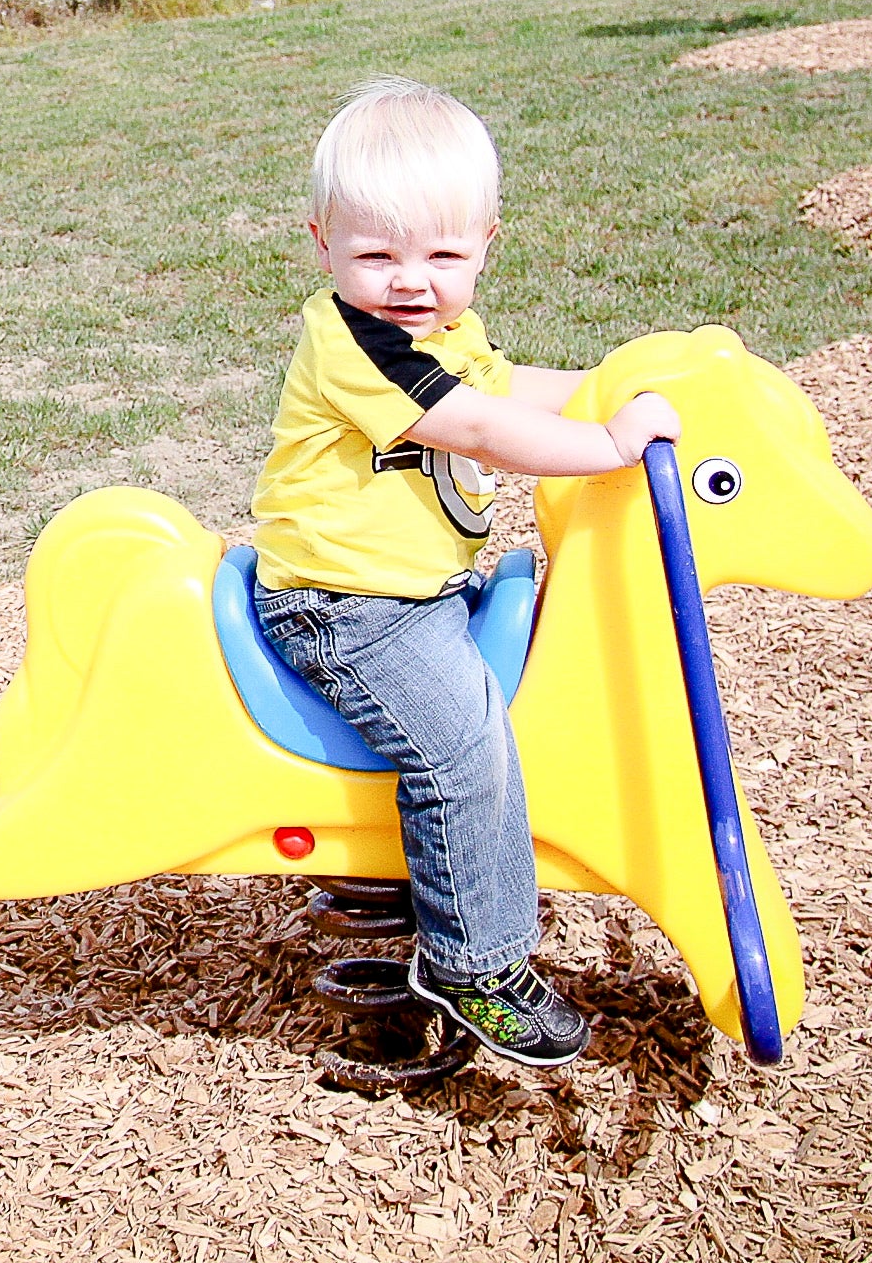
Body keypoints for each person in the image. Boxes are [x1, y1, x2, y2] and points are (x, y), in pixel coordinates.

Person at [250, 76, 680, 1067]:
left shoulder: (441, 333)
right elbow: (479, 424)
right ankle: (473, 960)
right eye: (377, 253)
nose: (411, 278)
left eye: (443, 253)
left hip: (412, 593)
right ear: (322, 246)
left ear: (488, 240)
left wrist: (614, 389)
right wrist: (612, 442)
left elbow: (505, 386)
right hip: (346, 608)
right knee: (461, 743)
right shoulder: (356, 340)